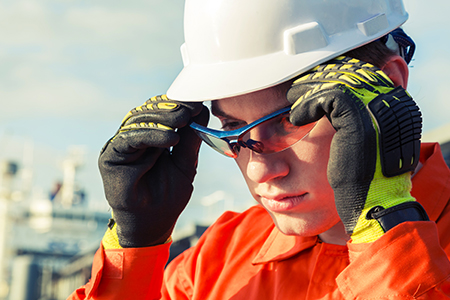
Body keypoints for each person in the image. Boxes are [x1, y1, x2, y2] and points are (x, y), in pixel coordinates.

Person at [69, 0, 450, 299]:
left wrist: (384, 228)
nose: (259, 171)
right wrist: (133, 253)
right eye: (233, 127)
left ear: (388, 90)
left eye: (292, 119)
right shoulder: (215, 259)